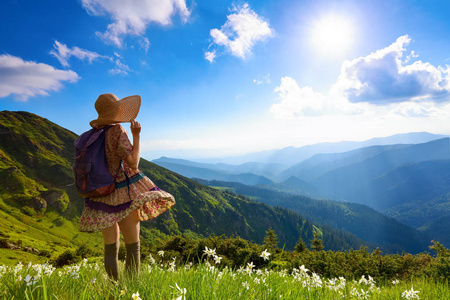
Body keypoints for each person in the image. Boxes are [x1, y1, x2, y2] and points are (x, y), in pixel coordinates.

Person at [78, 93, 176, 281]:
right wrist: (136, 136)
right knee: (133, 245)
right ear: (116, 111)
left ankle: (114, 290)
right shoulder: (117, 131)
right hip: (122, 191)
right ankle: (130, 290)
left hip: (98, 194)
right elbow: (133, 163)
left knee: (110, 247)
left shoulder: (88, 137)